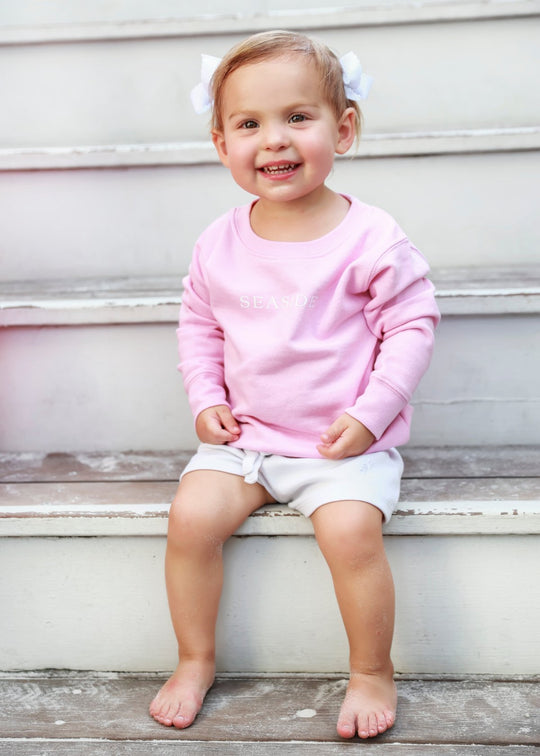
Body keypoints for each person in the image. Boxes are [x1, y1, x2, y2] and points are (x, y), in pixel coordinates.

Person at [150, 29, 440, 740]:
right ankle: (195, 657)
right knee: (189, 521)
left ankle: (372, 670)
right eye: (250, 124)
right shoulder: (219, 241)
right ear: (222, 144)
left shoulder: (371, 237)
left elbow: (412, 327)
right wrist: (206, 399)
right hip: (246, 438)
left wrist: (372, 415)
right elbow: (200, 326)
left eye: (297, 118)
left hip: (339, 442)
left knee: (349, 534)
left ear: (343, 128)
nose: (274, 141)